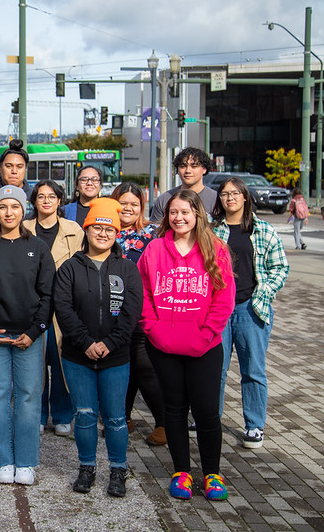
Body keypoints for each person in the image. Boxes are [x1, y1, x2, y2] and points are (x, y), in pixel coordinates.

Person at [137, 190, 235, 501]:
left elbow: (224, 298)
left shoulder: (215, 249)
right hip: (163, 346)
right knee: (174, 411)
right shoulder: (153, 250)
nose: (179, 217)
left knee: (207, 412)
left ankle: (211, 474)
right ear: (167, 216)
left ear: (197, 215)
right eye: (173, 212)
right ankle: (181, 470)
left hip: (205, 347)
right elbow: (143, 296)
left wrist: (206, 334)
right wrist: (153, 330)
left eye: (185, 212)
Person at [54, 198, 143, 498]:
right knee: (85, 413)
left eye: (109, 229)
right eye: (97, 227)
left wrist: (109, 343)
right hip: (78, 355)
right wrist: (86, 342)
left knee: (116, 417)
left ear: (117, 234)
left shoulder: (128, 270)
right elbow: (63, 309)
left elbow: (132, 312)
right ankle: (87, 467)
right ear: (87, 229)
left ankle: (118, 470)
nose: (102, 233)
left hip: (115, 357)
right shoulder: (69, 268)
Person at [0, 185, 55, 486]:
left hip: (29, 336)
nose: (9, 212)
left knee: (30, 396)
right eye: (3, 207)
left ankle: (27, 461)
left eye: (15, 207)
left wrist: (35, 332)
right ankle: (3, 459)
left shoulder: (38, 248)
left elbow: (48, 294)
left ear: (23, 210)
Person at [211, 177, 289, 449]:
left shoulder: (263, 230)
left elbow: (280, 267)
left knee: (253, 369)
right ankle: (209, 419)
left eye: (235, 193)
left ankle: (254, 425)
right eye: (224, 194)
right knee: (214, 368)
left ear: (245, 197)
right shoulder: (212, 231)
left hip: (250, 306)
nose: (229, 198)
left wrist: (265, 291)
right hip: (219, 307)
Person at [21, 180, 83, 437]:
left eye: (52, 196)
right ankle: (36, 414)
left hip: (64, 306)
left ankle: (62, 414)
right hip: (32, 305)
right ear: (34, 201)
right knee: (34, 364)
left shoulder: (74, 229)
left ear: (60, 200)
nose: (46, 201)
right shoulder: (23, 228)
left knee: (61, 362)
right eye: (41, 196)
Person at [110, 182, 166, 446]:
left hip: (145, 309)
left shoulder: (154, 233)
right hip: (112, 311)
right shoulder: (106, 230)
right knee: (123, 364)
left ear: (142, 206)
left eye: (134, 204)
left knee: (144, 366)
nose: (129, 208)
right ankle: (124, 417)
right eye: (124, 203)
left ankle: (163, 421)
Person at [149, 147, 217, 224]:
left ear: (204, 169)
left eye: (194, 166)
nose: (188, 171)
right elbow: (156, 232)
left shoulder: (216, 200)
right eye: (183, 166)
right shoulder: (164, 199)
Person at [0, 139, 34, 212]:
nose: (14, 171)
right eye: (9, 166)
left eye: (19, 167)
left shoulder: (34, 196)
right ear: (0, 168)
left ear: (25, 169)